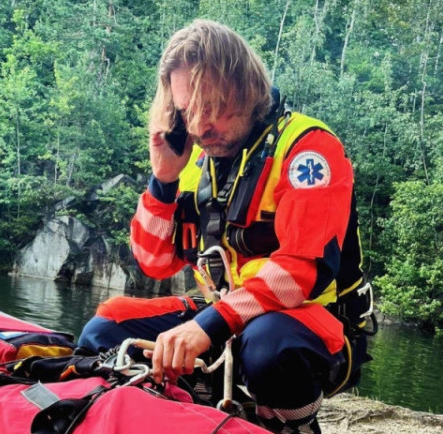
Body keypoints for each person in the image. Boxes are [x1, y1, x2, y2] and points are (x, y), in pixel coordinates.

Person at [78, 19, 373, 433]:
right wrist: (162, 181)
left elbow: (299, 272)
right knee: (103, 331)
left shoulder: (308, 150)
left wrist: (205, 327)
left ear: (246, 86)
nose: (200, 127)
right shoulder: (194, 165)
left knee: (270, 346)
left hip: (307, 323)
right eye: (187, 112)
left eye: (212, 106)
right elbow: (153, 262)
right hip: (225, 315)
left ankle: (293, 427)